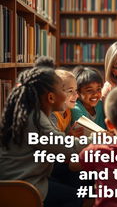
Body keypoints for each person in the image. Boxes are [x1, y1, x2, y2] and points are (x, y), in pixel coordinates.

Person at [0, 66, 85, 207]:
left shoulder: (30, 113)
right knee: (75, 197)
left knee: (72, 177)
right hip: (22, 186)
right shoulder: (36, 119)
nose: (66, 96)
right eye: (63, 91)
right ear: (51, 97)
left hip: (23, 179)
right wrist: (101, 139)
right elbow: (67, 147)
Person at [50, 69, 80, 134]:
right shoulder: (51, 115)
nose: (76, 95)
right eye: (70, 91)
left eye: (76, 90)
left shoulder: (67, 112)